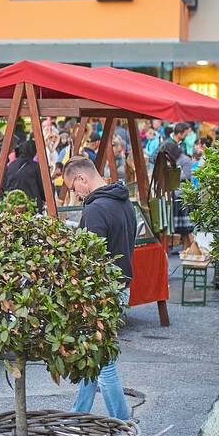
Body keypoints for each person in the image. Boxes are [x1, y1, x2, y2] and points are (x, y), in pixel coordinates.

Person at [62, 156, 133, 421]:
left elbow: (90, 262)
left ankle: (122, 424)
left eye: (73, 187)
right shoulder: (124, 202)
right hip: (121, 287)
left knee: (104, 365)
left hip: (101, 293)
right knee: (94, 357)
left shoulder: (94, 210)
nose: (75, 194)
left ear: (82, 178)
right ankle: (79, 414)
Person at [3, 138, 46, 211]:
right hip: (32, 204)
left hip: (13, 203)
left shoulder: (11, 165)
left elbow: (5, 184)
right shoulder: (36, 167)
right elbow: (42, 186)